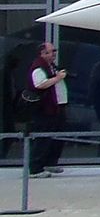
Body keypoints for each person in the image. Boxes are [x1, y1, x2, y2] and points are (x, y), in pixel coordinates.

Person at [25, 43, 67, 176]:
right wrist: (57, 78)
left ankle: (50, 162)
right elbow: (40, 84)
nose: (54, 53)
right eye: (51, 51)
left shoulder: (51, 66)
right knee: (43, 137)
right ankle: (36, 168)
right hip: (45, 109)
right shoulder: (38, 67)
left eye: (55, 51)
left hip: (57, 107)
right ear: (43, 53)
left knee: (56, 136)